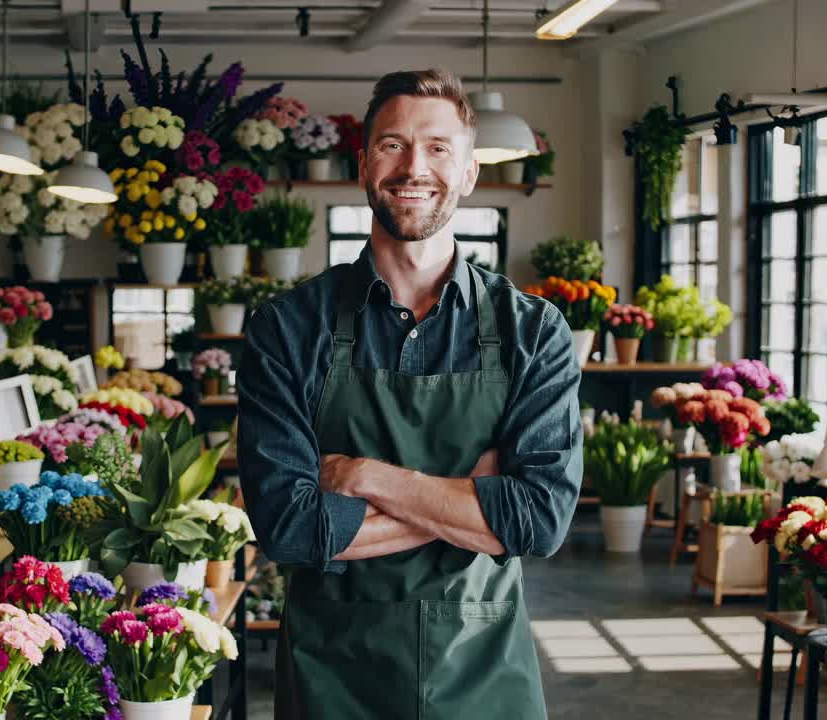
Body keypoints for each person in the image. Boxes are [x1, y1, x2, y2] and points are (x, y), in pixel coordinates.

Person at [238, 68, 582, 720]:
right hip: (331, 672)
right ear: (363, 162)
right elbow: (287, 526)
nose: (413, 166)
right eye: (393, 145)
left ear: (471, 172)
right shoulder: (288, 328)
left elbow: (537, 520)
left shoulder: (532, 331)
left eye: (438, 147)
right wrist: (471, 507)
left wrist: (362, 476)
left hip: (483, 669)